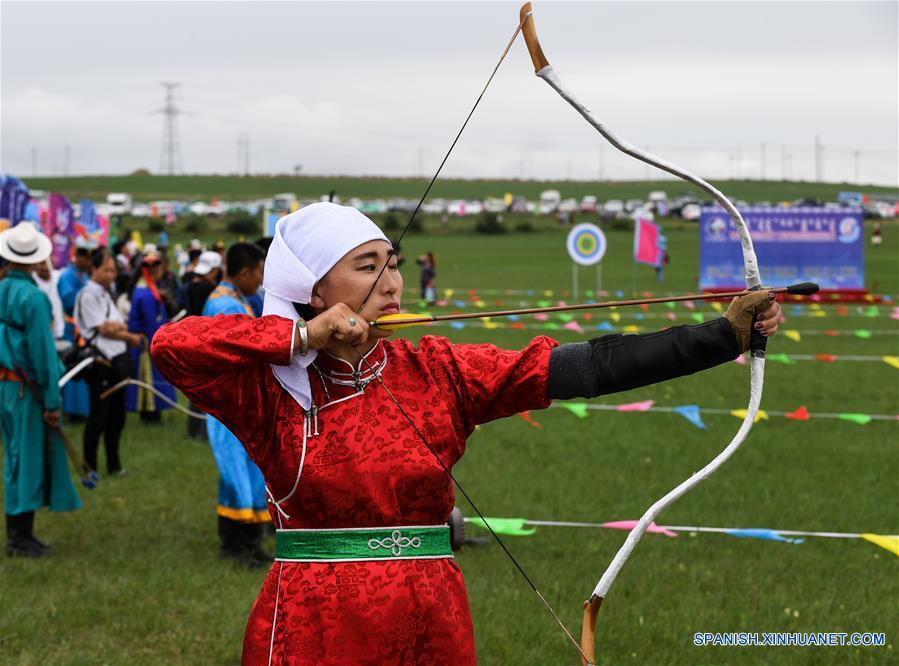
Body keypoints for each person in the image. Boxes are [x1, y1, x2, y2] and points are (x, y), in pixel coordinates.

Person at [151, 202, 782, 664]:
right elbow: (172, 347)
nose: (392, 283)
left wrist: (721, 337)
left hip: (433, 615)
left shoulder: (436, 368)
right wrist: (303, 339)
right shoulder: (269, 388)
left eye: (392, 265)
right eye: (367, 267)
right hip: (316, 624)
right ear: (312, 290)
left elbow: (585, 367)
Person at [0, 223, 82, 558]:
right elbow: (43, 355)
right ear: (35, 260)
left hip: (7, 387)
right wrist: (51, 400)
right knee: (28, 458)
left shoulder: (3, 287)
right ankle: (20, 537)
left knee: (14, 457)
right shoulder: (33, 297)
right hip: (26, 390)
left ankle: (19, 533)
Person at [199, 242, 270, 566]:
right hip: (230, 404)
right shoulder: (226, 306)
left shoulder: (234, 299)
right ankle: (237, 544)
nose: (261, 278)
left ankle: (248, 542)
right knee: (235, 472)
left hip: (241, 404)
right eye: (259, 271)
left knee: (246, 471)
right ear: (244, 273)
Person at [75, 248, 144, 477]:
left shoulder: (105, 293)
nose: (112, 275)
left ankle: (114, 466)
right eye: (107, 270)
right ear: (94, 269)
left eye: (114, 270)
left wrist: (117, 328)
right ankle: (89, 467)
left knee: (117, 416)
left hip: (116, 360)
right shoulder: (88, 295)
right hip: (101, 362)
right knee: (98, 417)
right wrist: (128, 335)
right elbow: (103, 328)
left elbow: (115, 324)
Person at [125, 250, 175, 422]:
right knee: (150, 377)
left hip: (151, 338)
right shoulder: (145, 293)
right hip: (148, 341)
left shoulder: (148, 288)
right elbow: (150, 322)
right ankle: (150, 413)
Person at [57, 242, 93, 418]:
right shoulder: (67, 275)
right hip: (72, 327)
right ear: (78, 257)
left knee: (84, 362)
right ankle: (72, 410)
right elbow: (69, 300)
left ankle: (83, 408)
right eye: (86, 258)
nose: (88, 261)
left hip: (84, 327)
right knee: (73, 362)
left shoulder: (84, 275)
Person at [33, 258, 65, 340]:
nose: (45, 267)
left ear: (53, 262)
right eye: (41, 263)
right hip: (40, 334)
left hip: (60, 332)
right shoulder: (32, 280)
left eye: (47, 263)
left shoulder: (59, 276)